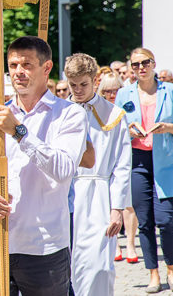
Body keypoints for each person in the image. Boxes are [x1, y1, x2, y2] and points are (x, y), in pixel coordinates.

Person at [0, 36, 87, 295]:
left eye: (27, 64)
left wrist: (19, 132)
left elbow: (64, 170)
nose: (18, 72)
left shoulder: (68, 114)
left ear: (47, 68)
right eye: (13, 64)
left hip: (43, 245)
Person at [63, 53, 132, 295]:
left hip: (99, 197)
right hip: (65, 197)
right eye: (73, 85)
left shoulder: (113, 115)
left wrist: (117, 208)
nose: (78, 90)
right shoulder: (59, 112)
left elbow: (122, 166)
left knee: (98, 266)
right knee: (67, 266)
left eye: (84, 84)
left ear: (95, 80)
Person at [115, 47, 173, 293]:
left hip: (165, 161)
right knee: (145, 221)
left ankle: (170, 267)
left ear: (153, 63)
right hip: (137, 160)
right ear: (131, 67)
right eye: (136, 64)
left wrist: (168, 127)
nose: (141, 67)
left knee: (167, 219)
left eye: (145, 62)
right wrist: (128, 130)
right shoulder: (123, 93)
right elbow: (115, 128)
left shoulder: (169, 90)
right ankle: (153, 273)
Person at [95, 72, 139, 264]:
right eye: (107, 90)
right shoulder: (99, 110)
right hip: (104, 163)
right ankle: (116, 244)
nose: (112, 94)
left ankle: (130, 243)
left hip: (128, 157)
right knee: (108, 203)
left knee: (127, 203)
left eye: (116, 90)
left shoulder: (128, 106)